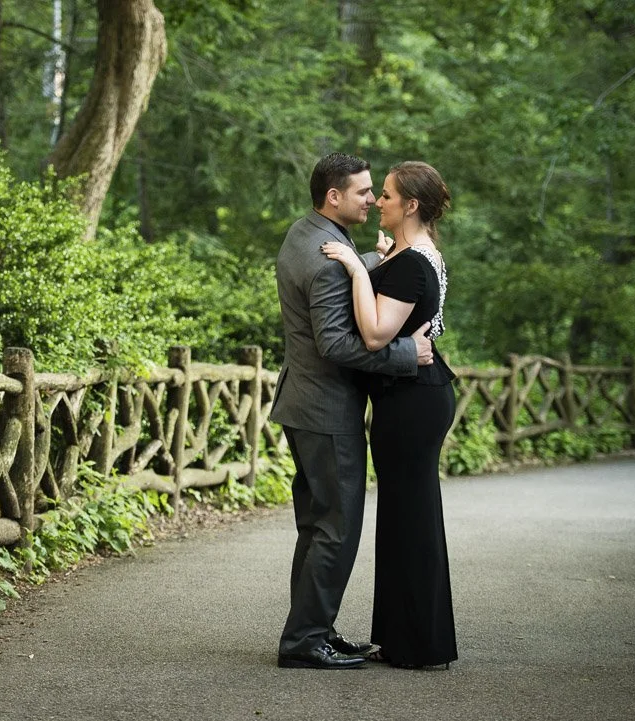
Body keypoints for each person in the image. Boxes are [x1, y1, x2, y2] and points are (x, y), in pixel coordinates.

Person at [272, 152, 434, 670]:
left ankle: (312, 630)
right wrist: (407, 353)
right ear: (334, 196)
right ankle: (305, 641)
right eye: (364, 192)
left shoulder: (306, 233)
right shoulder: (326, 260)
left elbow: (332, 273)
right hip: (327, 410)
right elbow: (337, 344)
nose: (372, 199)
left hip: (301, 402)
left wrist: (370, 261)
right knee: (336, 530)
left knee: (316, 526)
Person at [321, 160, 458, 670]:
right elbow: (412, 312)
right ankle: (406, 639)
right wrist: (375, 262)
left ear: (411, 205)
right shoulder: (411, 254)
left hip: (412, 401)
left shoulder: (413, 262)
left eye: (387, 195)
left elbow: (377, 334)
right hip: (412, 395)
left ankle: (419, 644)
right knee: (405, 516)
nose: (378, 202)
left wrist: (358, 269)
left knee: (411, 518)